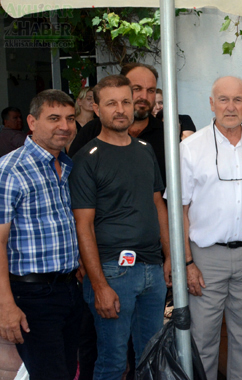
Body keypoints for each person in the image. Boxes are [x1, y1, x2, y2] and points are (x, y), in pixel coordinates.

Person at [69, 75, 170, 380]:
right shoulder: (86, 160)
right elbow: (82, 225)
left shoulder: (144, 149)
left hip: (152, 269)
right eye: (111, 103)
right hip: (113, 272)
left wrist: (169, 258)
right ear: (96, 108)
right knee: (113, 363)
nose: (120, 109)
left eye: (126, 101)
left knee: (150, 360)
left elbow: (158, 205)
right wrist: (99, 286)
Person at [179, 76, 242, 380]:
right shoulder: (190, 148)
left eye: (237, 100)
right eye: (223, 99)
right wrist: (188, 262)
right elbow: (178, 209)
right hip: (206, 257)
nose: (230, 107)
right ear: (211, 103)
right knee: (203, 340)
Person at [0, 90, 81, 379]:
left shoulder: (66, 164)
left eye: (70, 118)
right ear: (32, 122)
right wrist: (5, 305)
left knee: (67, 370)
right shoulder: (11, 169)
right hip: (32, 295)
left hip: (69, 290)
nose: (65, 126)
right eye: (54, 118)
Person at [67, 63, 170, 184]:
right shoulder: (91, 132)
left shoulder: (167, 135)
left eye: (151, 90)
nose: (144, 96)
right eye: (136, 89)